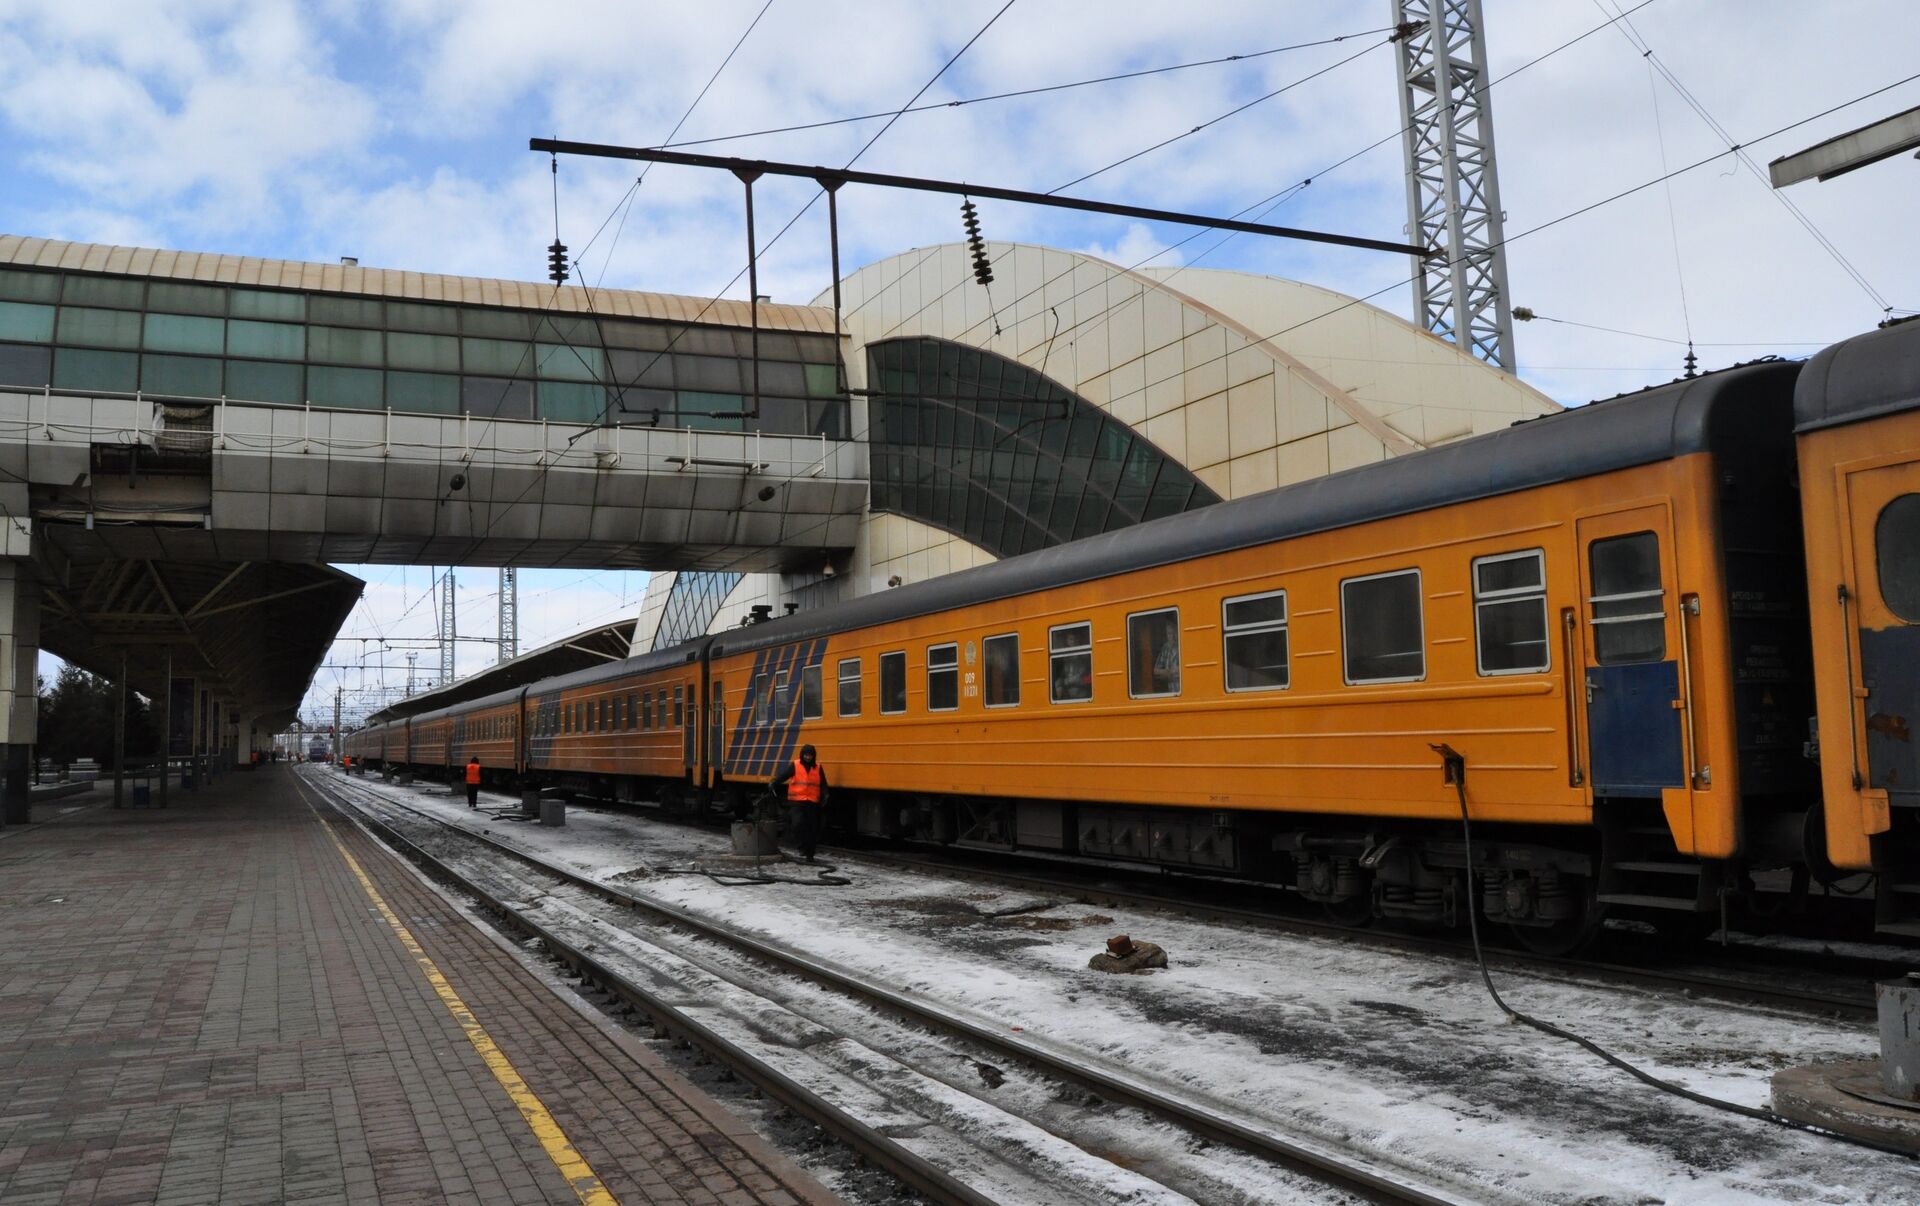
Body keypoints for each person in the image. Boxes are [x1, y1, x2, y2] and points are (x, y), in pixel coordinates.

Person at [770, 744, 828, 863]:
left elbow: (823, 783)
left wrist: (826, 794)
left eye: (810, 755)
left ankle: (810, 854)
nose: (808, 757)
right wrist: (774, 783)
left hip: (812, 802)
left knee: (812, 829)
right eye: (806, 755)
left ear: (813, 756)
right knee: (797, 825)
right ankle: (801, 846)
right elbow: (784, 775)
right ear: (802, 755)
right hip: (797, 801)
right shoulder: (795, 765)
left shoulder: (818, 767)